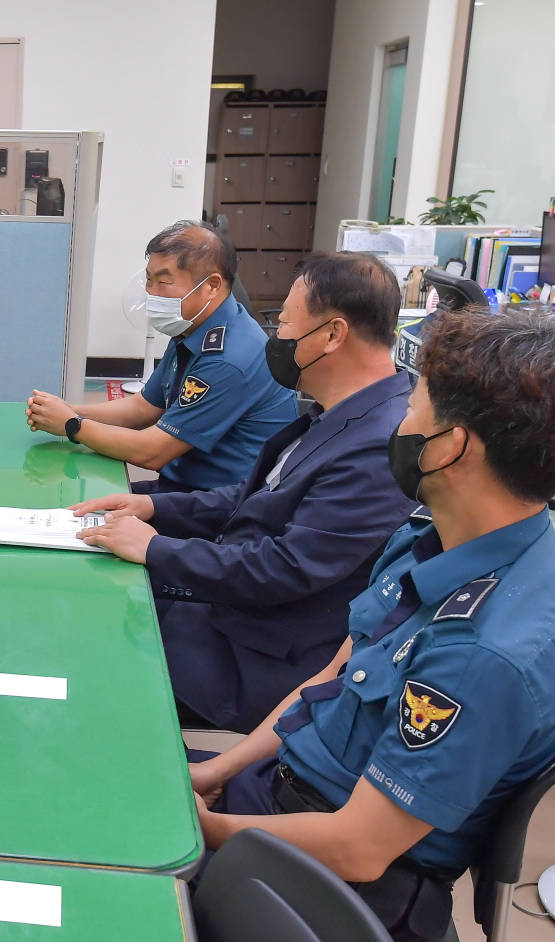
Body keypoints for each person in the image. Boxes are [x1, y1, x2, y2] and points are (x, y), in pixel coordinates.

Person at [186, 307, 555, 942]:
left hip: (333, 886)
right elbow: (333, 679)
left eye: (413, 408)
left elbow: (358, 849)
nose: (398, 424)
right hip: (278, 798)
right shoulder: (429, 538)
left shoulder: (484, 653)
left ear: (452, 446)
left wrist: (205, 830)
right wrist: (218, 772)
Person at [74, 253, 416, 731]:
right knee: (84, 604)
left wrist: (155, 548)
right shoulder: (343, 411)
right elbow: (259, 496)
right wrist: (152, 506)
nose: (277, 337)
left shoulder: (378, 446)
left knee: (82, 656)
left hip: (254, 655)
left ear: (332, 335)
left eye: (286, 325)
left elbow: (284, 568)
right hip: (229, 611)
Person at [25, 220, 296, 492]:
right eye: (149, 280)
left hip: (224, 503)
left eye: (164, 282)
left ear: (212, 285)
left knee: (83, 509)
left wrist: (72, 425)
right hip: (186, 489)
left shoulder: (228, 358)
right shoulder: (193, 327)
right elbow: (143, 408)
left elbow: (153, 452)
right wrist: (68, 410)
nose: (151, 293)